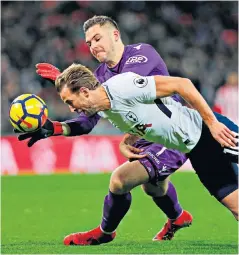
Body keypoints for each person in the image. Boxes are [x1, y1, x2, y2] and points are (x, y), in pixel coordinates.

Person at [19, 16, 195, 244]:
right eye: (89, 42)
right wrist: (52, 127)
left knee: (120, 180)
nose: (93, 46)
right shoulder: (99, 76)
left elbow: (124, 87)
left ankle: (105, 232)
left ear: (115, 35)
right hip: (144, 135)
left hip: (172, 131)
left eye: (97, 38)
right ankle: (178, 217)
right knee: (153, 189)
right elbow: (86, 121)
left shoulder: (142, 54)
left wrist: (68, 81)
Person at [52, 63, 238, 234]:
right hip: (197, 151)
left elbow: (183, 84)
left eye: (70, 102)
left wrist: (212, 123)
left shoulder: (123, 87)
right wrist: (127, 140)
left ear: (84, 92)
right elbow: (147, 118)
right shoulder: (103, 108)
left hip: (208, 131)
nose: (71, 109)